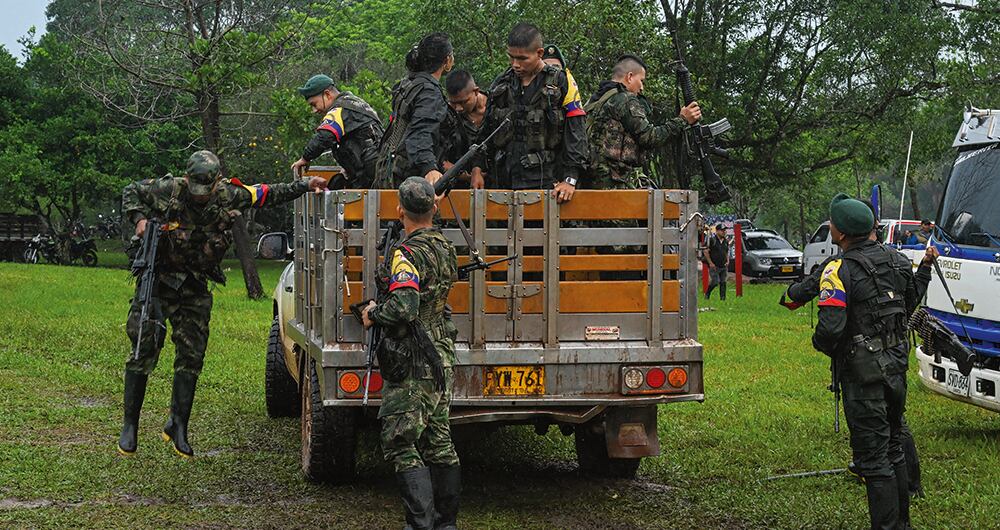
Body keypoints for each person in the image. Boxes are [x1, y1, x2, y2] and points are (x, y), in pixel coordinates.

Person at [118, 150, 328, 458]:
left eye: (206, 189)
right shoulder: (168, 188)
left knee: (192, 353)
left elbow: (268, 193)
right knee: (144, 346)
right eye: (196, 189)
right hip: (159, 280)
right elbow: (130, 191)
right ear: (187, 179)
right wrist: (139, 220)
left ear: (216, 182)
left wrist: (306, 185)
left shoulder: (229, 195)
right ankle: (130, 426)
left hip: (194, 284)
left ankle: (178, 424)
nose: (201, 196)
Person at [782, 208, 933, 500]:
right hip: (896, 364)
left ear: (841, 233)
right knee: (894, 446)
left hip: (861, 373)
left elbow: (829, 330)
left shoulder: (837, 269)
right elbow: (909, 304)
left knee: (874, 462)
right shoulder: (898, 260)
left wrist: (826, 347)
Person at [361, 176, 461, 530]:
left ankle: (420, 525)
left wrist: (373, 313)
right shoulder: (446, 248)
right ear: (434, 207)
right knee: (438, 439)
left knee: (400, 440)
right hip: (441, 353)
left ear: (400, 209)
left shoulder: (406, 254)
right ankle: (445, 524)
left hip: (415, 357)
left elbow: (405, 305)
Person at [473, 22, 588, 202]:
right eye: (511, 57)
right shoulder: (501, 83)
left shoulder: (562, 82)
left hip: (547, 185)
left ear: (539, 53)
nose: (515, 64)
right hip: (503, 184)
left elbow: (576, 134)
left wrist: (570, 179)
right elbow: (486, 131)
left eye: (522, 58)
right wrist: (477, 168)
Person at [585, 54, 702, 189]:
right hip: (614, 184)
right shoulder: (625, 100)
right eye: (641, 81)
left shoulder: (596, 100)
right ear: (629, 77)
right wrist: (683, 120)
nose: (642, 88)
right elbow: (649, 137)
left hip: (592, 181)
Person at [376, 33, 454, 189]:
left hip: (390, 168)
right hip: (408, 177)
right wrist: (429, 168)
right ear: (447, 61)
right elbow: (421, 131)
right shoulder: (428, 92)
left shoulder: (407, 84)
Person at [290, 74, 384, 188]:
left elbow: (324, 137)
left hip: (369, 176)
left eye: (314, 104)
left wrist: (305, 158)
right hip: (379, 172)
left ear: (327, 94)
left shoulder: (339, 109)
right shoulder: (356, 103)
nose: (314, 110)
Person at [442, 69, 487, 189]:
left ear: (476, 91)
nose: (458, 108)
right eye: (453, 103)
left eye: (463, 102)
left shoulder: (495, 107)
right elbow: (441, 160)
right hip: (459, 186)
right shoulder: (447, 116)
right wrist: (467, 176)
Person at [704, 224, 729, 300]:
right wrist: (710, 263)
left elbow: (726, 251)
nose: (724, 232)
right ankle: (707, 293)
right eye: (722, 230)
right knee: (715, 281)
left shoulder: (725, 241)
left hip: (723, 265)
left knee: (723, 282)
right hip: (714, 265)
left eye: (725, 230)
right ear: (717, 231)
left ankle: (723, 298)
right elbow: (705, 251)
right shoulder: (712, 240)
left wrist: (727, 260)